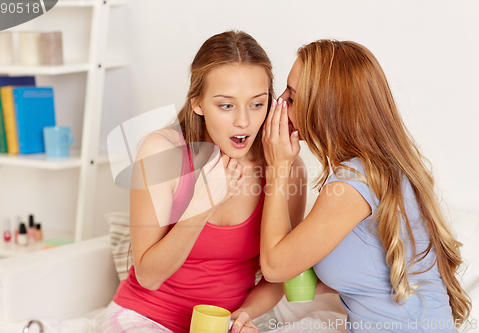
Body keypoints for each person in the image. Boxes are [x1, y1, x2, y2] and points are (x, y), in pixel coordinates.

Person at [98, 31, 307, 333]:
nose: (243, 122)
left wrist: (244, 315)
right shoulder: (162, 153)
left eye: (257, 104)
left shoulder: (286, 166)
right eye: (226, 105)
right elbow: (148, 275)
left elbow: (279, 274)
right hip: (145, 317)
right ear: (197, 103)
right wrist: (203, 204)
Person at [260, 39, 471, 333]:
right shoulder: (376, 170)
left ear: (327, 108)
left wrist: (278, 166)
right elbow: (365, 273)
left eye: (292, 98)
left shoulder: (352, 184)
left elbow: (274, 267)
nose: (279, 103)